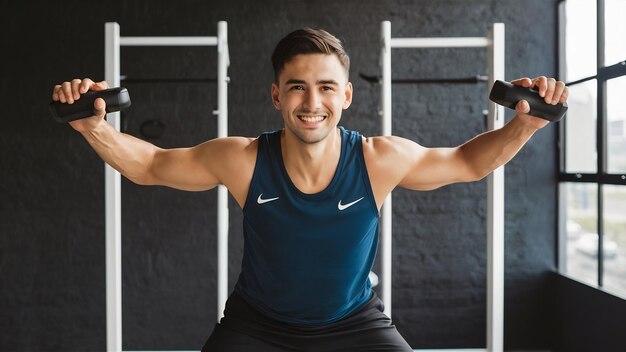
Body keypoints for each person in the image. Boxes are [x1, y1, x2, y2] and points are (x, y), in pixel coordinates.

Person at [52, 28, 568, 351]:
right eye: (297, 86)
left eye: (325, 87)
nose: (311, 101)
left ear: (345, 95)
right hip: (258, 327)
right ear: (277, 95)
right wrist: (94, 128)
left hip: (353, 323)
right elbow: (153, 165)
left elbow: (466, 162)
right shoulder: (244, 159)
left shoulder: (377, 159)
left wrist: (525, 124)